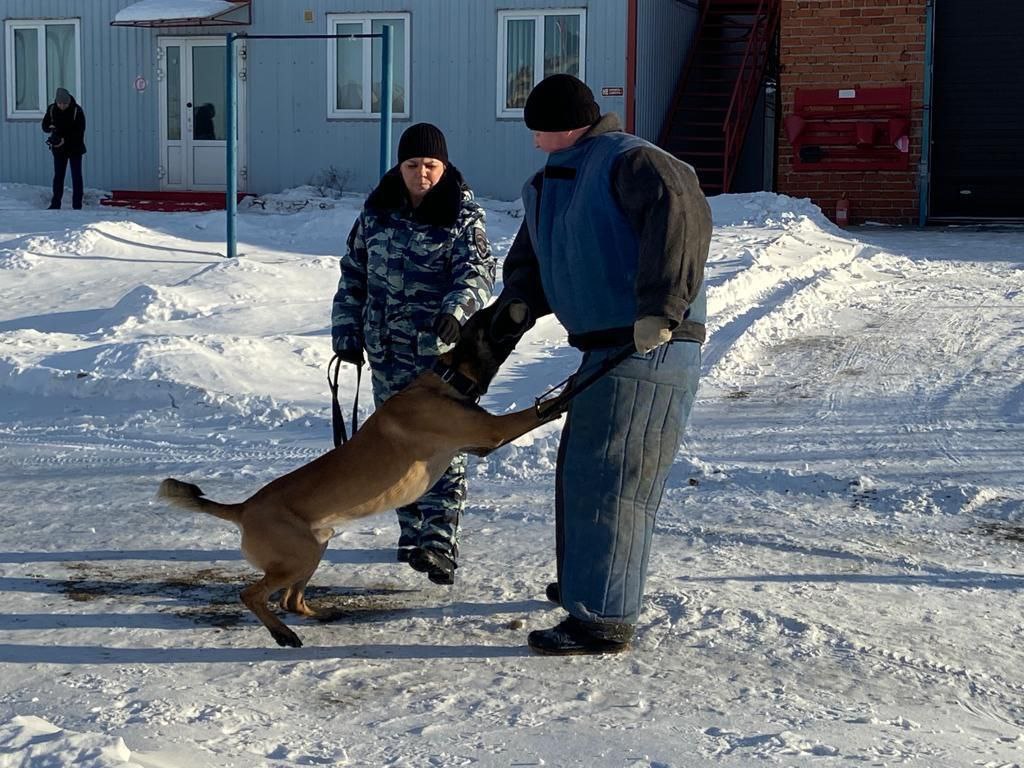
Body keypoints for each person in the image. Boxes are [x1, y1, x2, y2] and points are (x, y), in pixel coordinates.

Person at [492, 74, 712, 654]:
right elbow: (537, 256)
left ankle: (604, 616)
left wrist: (661, 308)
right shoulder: (549, 182)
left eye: (538, 127)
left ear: (562, 125)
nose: (534, 138)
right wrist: (518, 301)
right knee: (585, 470)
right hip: (604, 347)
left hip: (649, 342)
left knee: (614, 478)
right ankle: (585, 585)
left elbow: (680, 219)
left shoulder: (635, 161)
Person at [331, 123, 495, 585]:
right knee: (395, 442)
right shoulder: (376, 212)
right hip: (386, 352)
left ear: (443, 167)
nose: (421, 173)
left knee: (444, 441)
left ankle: (440, 540)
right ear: (399, 167)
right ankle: (411, 532)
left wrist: (455, 313)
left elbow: (478, 273)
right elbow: (353, 276)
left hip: (439, 356)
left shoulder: (462, 214)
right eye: (412, 165)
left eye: (430, 165)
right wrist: (346, 331)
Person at [40, 88, 86, 210]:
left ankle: (77, 205)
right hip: (59, 150)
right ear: (56, 101)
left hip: (75, 148)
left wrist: (64, 139)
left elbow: (80, 131)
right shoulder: (52, 109)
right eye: (59, 103)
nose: (62, 106)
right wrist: (50, 128)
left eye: (64, 103)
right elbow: (44, 125)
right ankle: (55, 204)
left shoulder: (77, 110)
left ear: (69, 101)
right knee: (58, 176)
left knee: (76, 176)